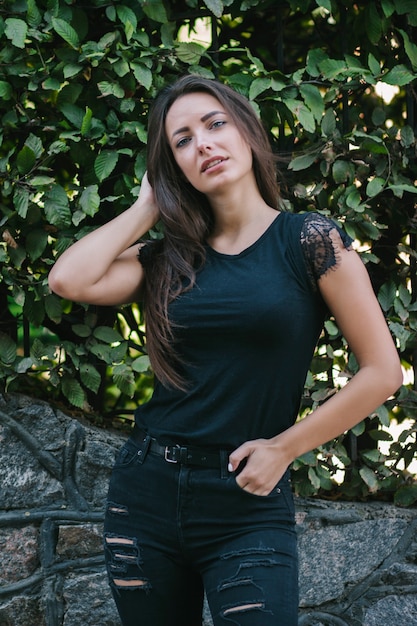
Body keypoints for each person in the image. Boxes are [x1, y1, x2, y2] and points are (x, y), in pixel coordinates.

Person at [48, 74, 403, 626]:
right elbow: (68, 280)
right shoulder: (169, 257)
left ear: (247, 132)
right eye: (182, 141)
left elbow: (383, 372)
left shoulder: (307, 240)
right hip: (145, 496)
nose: (204, 144)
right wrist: (150, 203)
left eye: (214, 124)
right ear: (174, 167)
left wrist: (285, 448)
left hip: (247, 504)